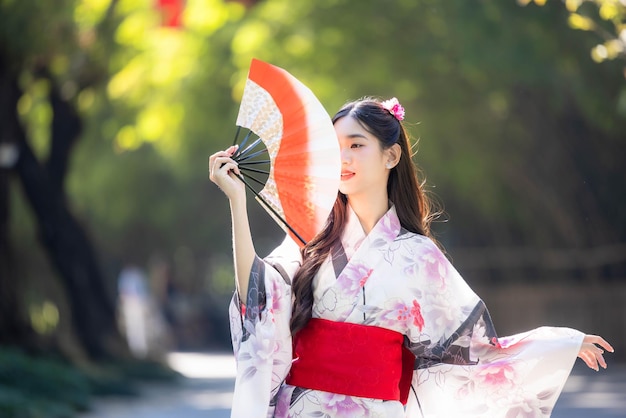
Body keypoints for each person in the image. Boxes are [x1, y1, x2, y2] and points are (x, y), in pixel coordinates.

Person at [209, 97, 613, 418]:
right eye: (335, 149)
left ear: (391, 156)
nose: (343, 158)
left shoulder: (420, 256)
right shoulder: (310, 238)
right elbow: (259, 300)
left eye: (356, 145)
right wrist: (237, 204)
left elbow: (473, 351)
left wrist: (559, 343)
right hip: (301, 409)